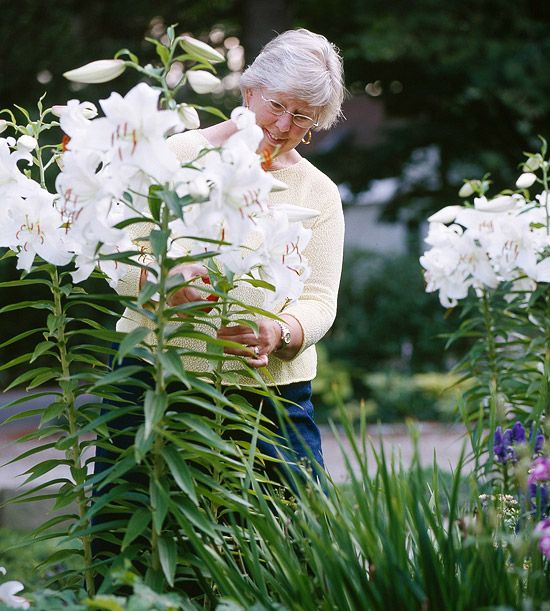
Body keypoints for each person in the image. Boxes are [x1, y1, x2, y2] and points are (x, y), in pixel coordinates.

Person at [112, 28, 346, 477]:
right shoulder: (175, 154)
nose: (283, 126)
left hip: (272, 395)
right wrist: (157, 280)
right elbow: (119, 249)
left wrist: (282, 331)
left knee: (293, 535)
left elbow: (320, 298)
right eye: (277, 105)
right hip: (156, 375)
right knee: (136, 533)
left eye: (303, 118)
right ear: (248, 91)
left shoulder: (320, 192)